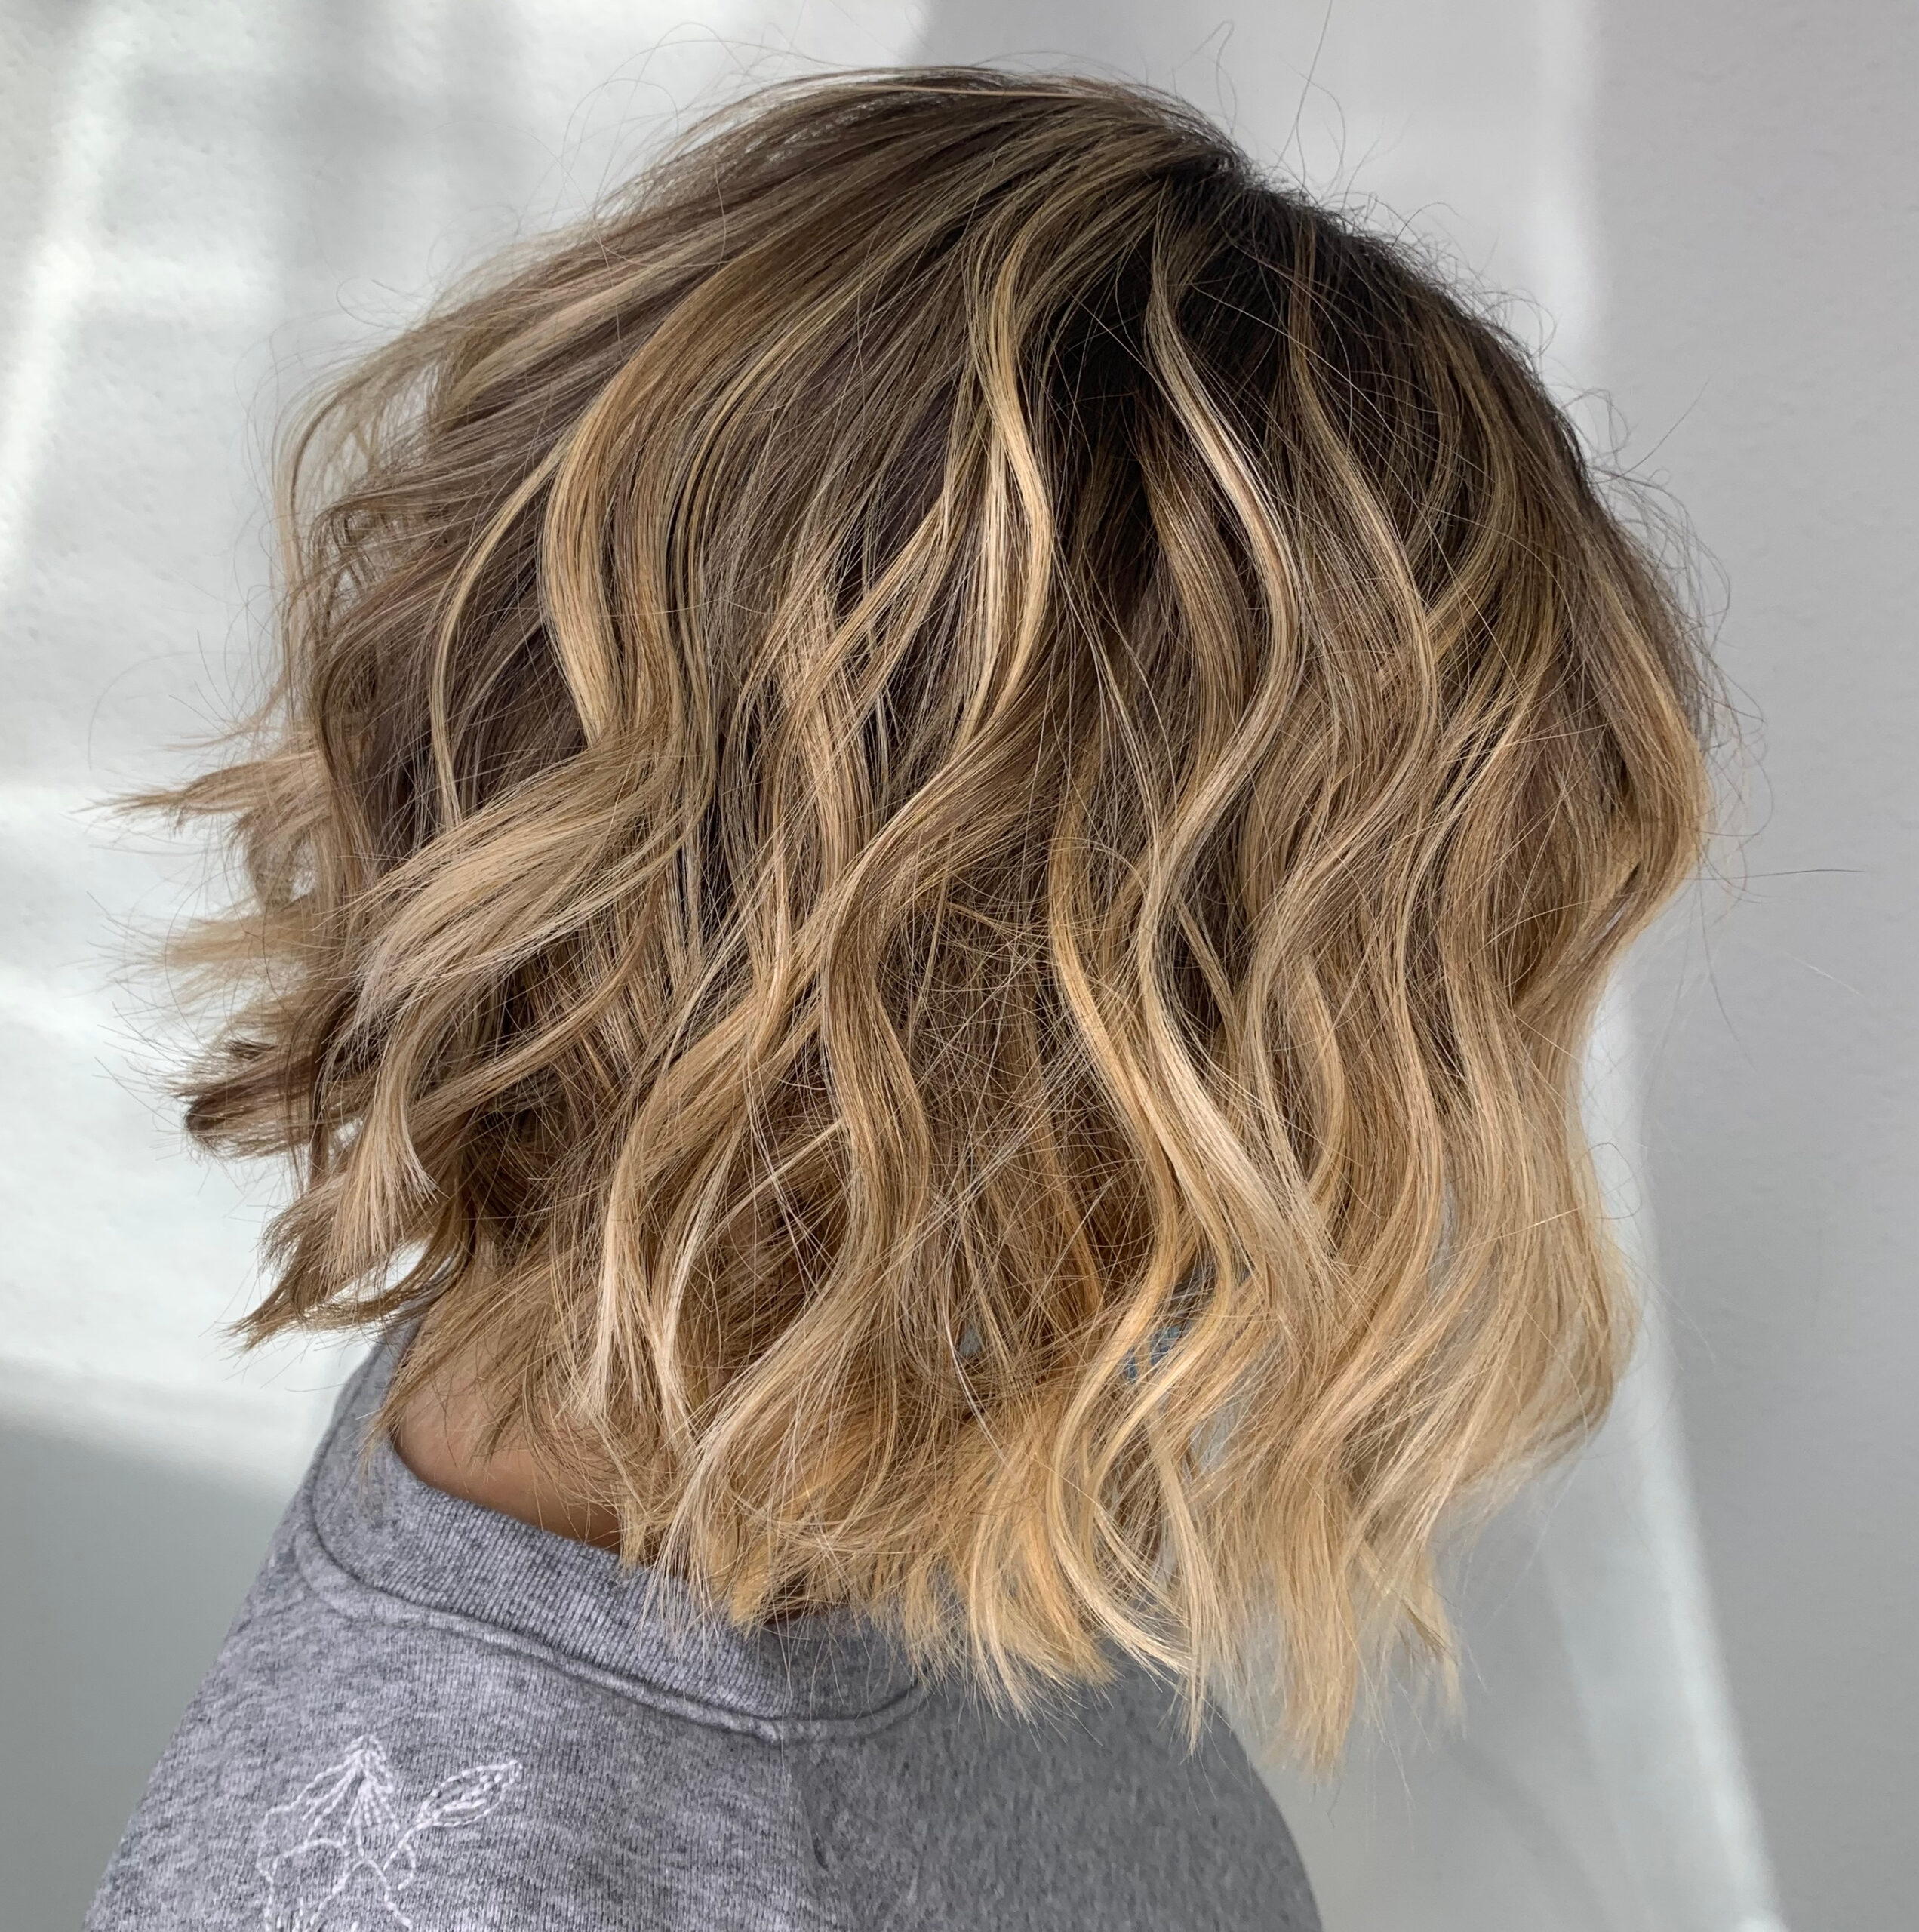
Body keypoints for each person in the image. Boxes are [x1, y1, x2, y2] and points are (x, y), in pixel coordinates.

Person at [87, 66, 1715, 1930]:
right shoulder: (480, 1865)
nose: (1419, 1149)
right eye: (1400, 1030)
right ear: (1045, 1061)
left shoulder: (816, 1432)